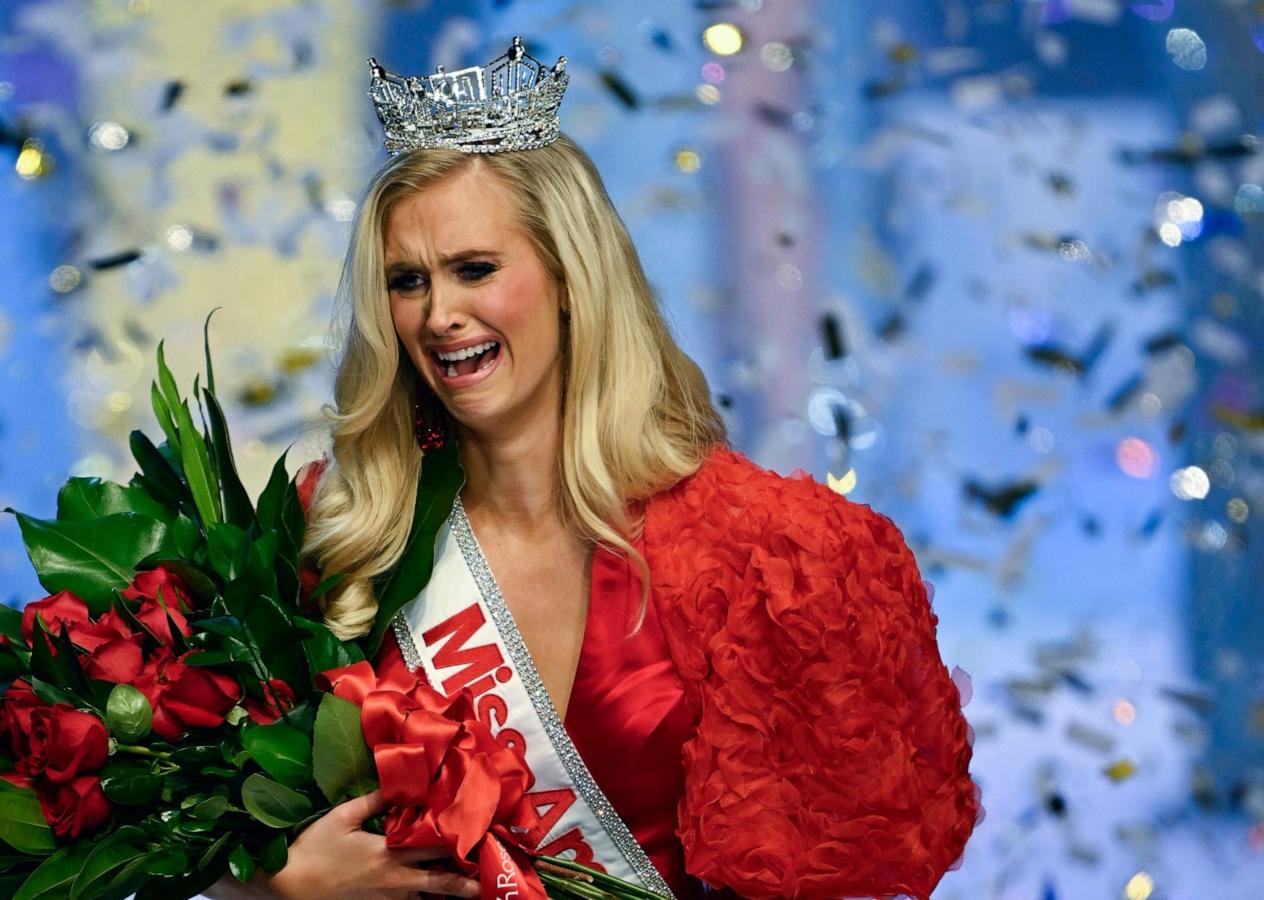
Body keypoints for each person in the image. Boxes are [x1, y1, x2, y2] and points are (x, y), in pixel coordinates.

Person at [213, 38, 980, 900]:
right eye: (407, 281)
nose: (439, 315)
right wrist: (275, 892)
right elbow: (218, 833)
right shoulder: (341, 534)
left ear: (571, 276)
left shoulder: (771, 555)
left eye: (474, 269)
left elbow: (847, 873)